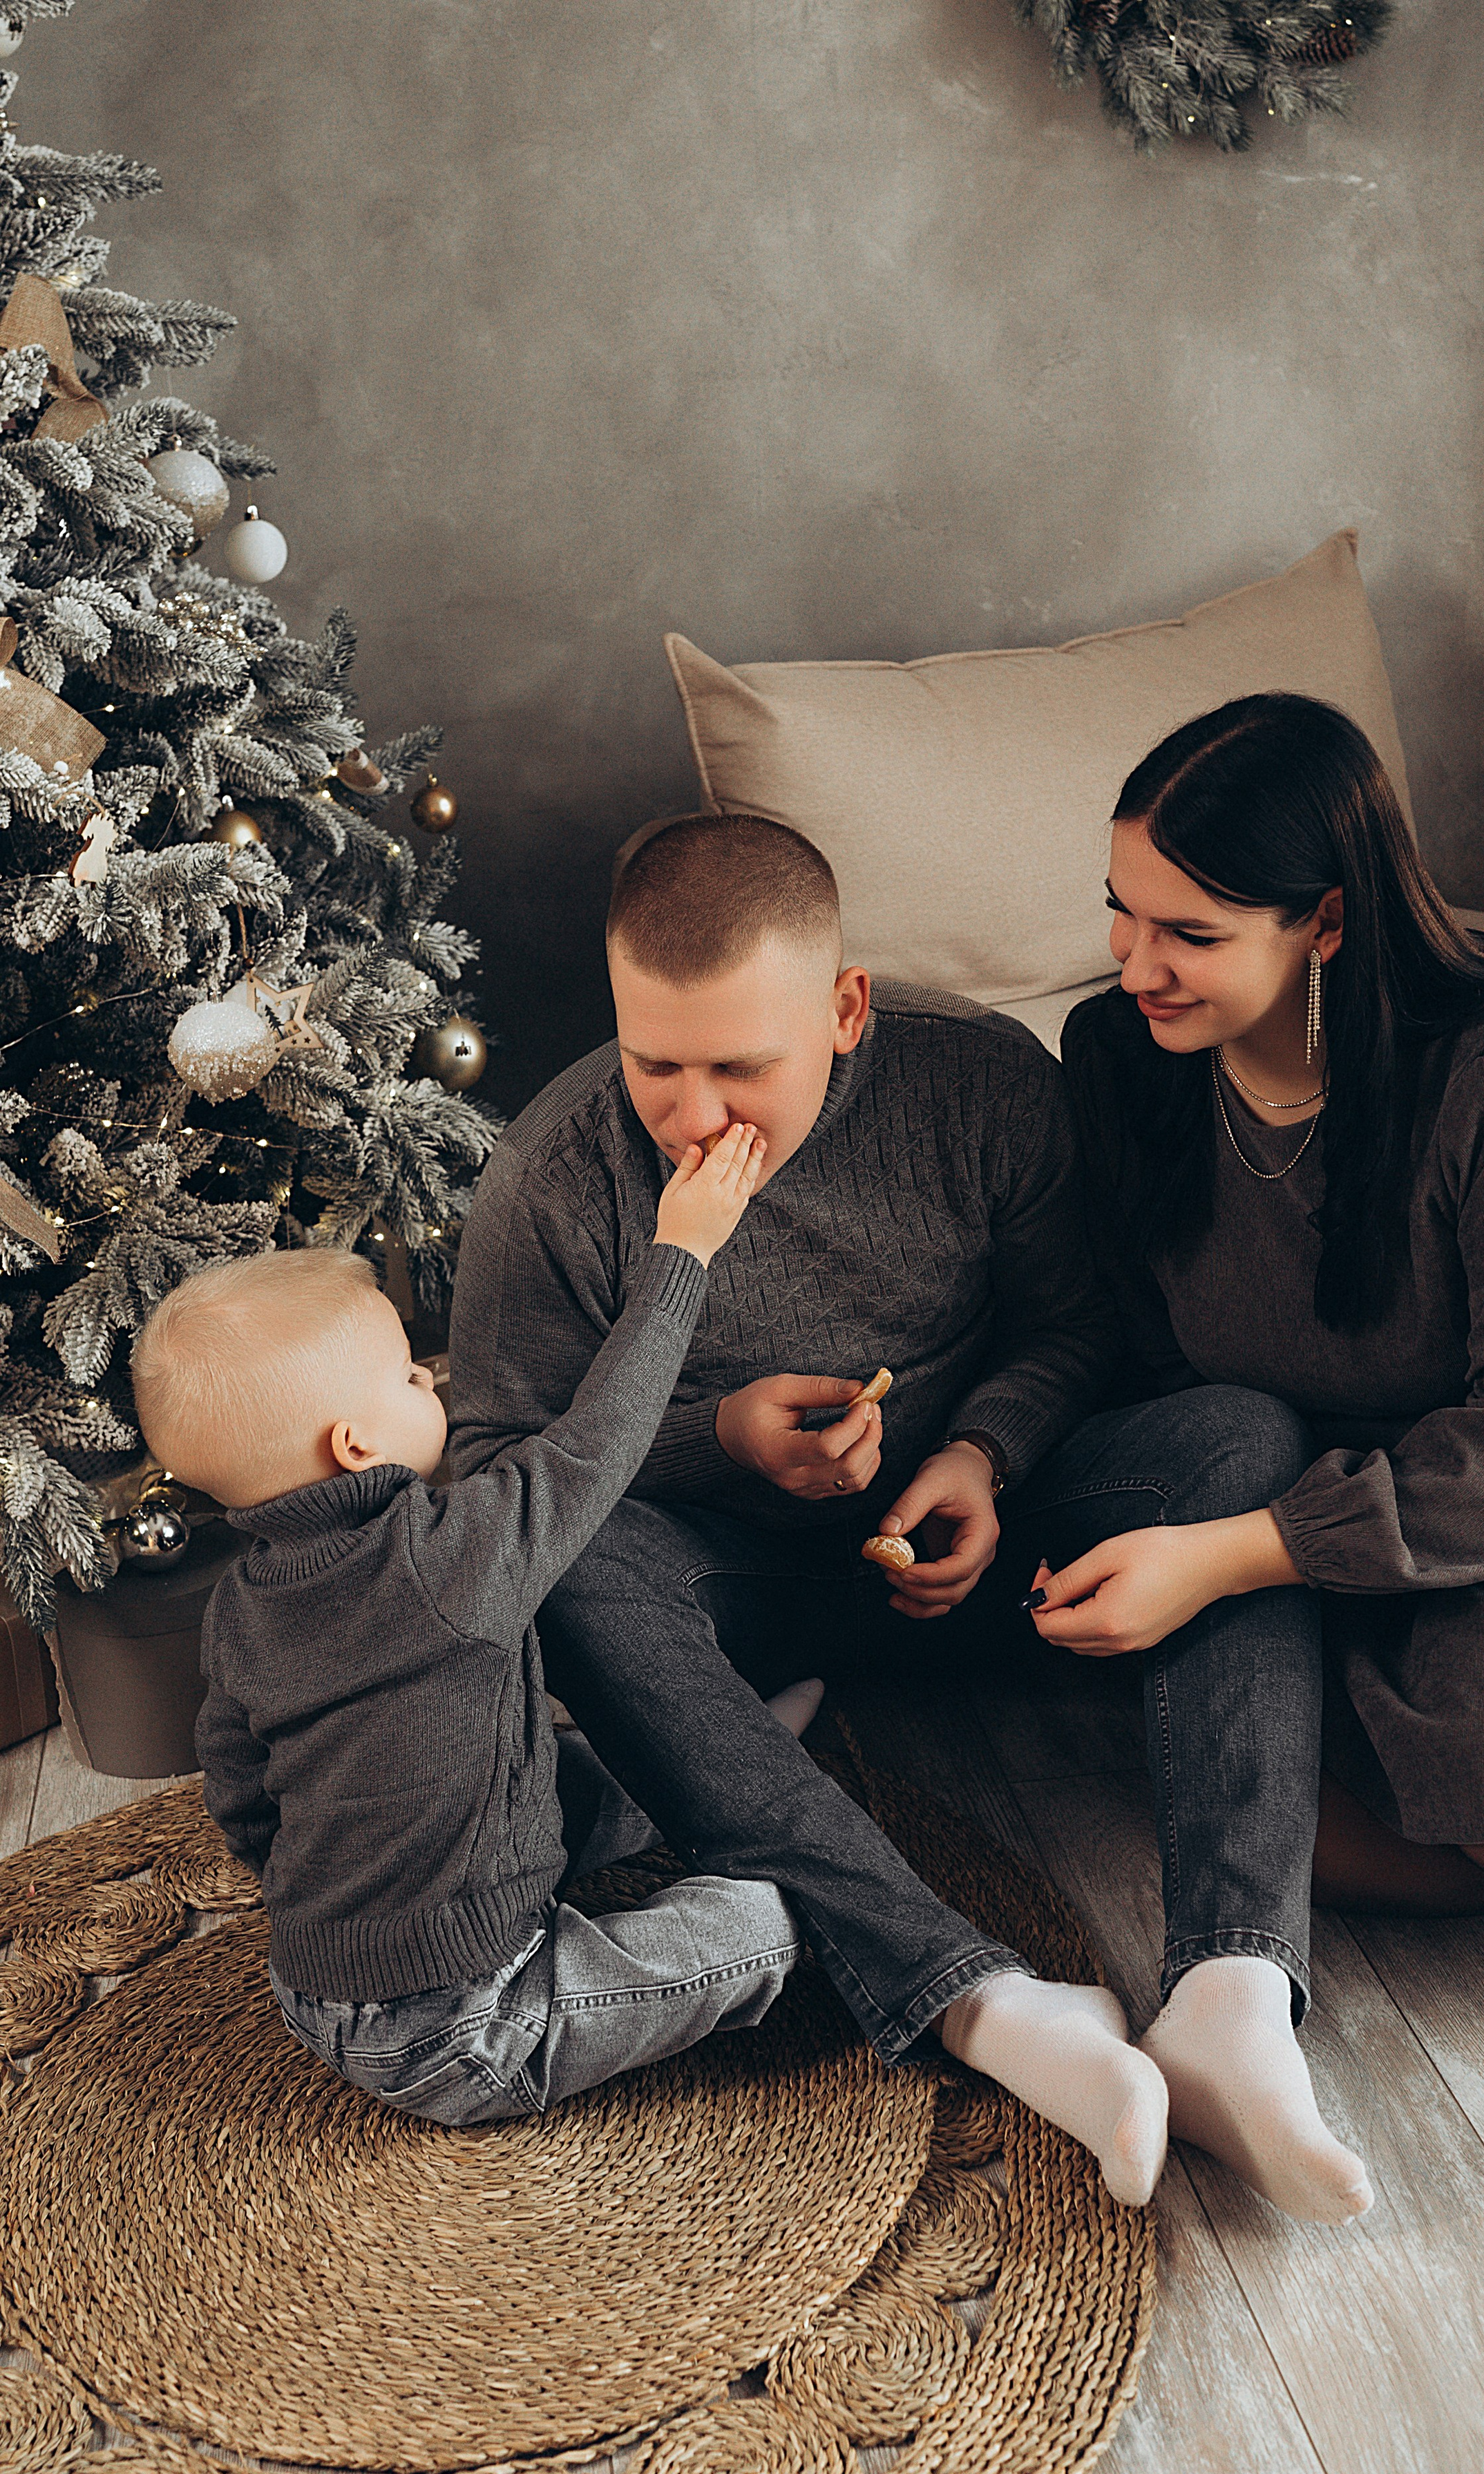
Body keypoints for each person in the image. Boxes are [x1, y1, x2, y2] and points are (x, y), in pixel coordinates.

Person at [449, 810, 1368, 2224]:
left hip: (992, 1561)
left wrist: (985, 1455)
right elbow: (494, 1464)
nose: (694, 1116)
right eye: (657, 1064)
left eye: (743, 1065)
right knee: (570, 1570)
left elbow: (1077, 1325)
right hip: (734, 1595)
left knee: (1239, 1439)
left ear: (844, 1006)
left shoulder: (976, 1086)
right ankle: (983, 2000)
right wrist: (715, 1436)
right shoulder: (555, 1177)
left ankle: (1231, 1988)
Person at [1051, 689, 1484, 1932]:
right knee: (1308, 1814)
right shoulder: (1122, 1060)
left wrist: (1232, 1553)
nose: (1136, 966)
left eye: (1191, 933)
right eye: (1120, 912)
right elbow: (1147, 1359)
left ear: (1326, 922)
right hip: (1354, 1476)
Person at [130, 1123, 820, 2126]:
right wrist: (685, 1254)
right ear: (355, 1443)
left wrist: (347, 1889)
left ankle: (738, 1757)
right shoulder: (450, 1554)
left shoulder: (241, 1606)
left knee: (561, 1766)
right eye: (411, 1373)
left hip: (308, 1991)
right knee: (770, 1922)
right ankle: (714, 1859)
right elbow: (597, 1444)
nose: (433, 1379)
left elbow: (239, 1795)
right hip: (465, 2022)